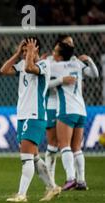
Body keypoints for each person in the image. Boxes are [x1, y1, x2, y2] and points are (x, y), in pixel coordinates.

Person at [0, 38, 61, 202]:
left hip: (35, 115)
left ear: (37, 49)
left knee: (25, 156)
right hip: (23, 115)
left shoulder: (44, 65)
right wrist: (18, 53)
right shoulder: (22, 63)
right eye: (24, 50)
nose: (26, 53)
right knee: (33, 157)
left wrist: (31, 54)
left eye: (29, 50)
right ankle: (53, 187)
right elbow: (3, 70)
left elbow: (29, 67)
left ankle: (22, 195)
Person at [47, 38, 99, 191]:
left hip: (66, 110)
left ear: (61, 56)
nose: (53, 53)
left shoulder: (56, 67)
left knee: (64, 145)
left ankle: (71, 178)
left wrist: (60, 80)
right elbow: (95, 74)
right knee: (77, 147)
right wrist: (89, 59)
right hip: (81, 110)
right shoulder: (77, 64)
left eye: (56, 51)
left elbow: (45, 84)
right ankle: (82, 180)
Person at [44, 35, 76, 185]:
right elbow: (44, 85)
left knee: (68, 144)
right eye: (67, 43)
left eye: (71, 42)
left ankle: (77, 178)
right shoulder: (50, 62)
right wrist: (61, 81)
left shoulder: (74, 63)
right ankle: (50, 181)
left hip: (69, 106)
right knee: (53, 144)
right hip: (52, 104)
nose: (71, 44)